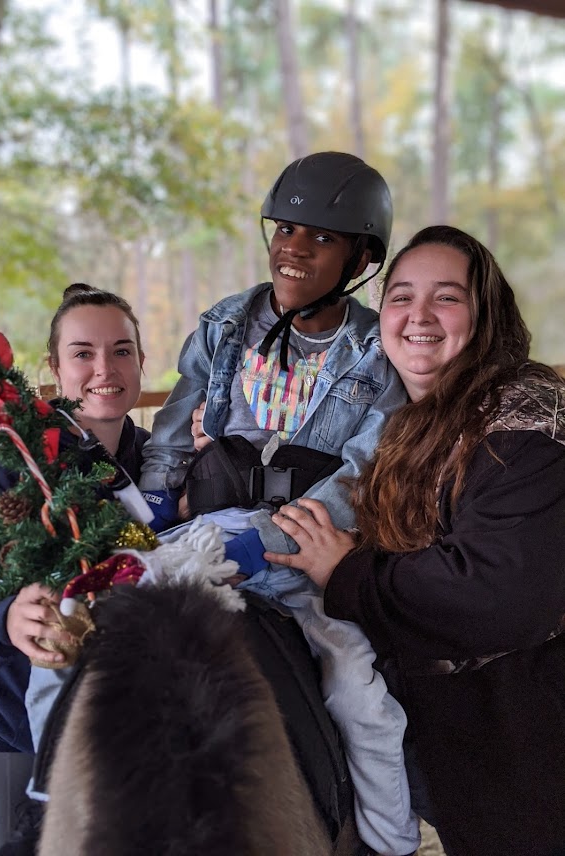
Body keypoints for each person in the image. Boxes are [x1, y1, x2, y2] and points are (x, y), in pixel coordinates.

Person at [139, 152, 421, 856]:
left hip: (308, 559)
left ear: (362, 256)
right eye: (285, 230)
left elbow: (363, 473)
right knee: (99, 619)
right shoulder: (226, 324)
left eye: (321, 238)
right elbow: (175, 423)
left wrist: (266, 541)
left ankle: (391, 841)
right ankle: (48, 804)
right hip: (207, 527)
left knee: (360, 694)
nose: (293, 250)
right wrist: (150, 509)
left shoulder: (372, 355)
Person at [264, 225, 565, 856]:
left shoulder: (526, 413)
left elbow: (499, 590)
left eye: (447, 297)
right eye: (400, 297)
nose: (418, 316)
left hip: (527, 736)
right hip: (452, 737)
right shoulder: (407, 422)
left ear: (485, 314)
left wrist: (345, 572)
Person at [0, 284, 150, 856]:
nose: (105, 368)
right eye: (83, 353)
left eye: (122, 350)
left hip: (102, 731)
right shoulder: (7, 463)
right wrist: (9, 616)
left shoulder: (159, 462)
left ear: (142, 361)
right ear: (54, 367)